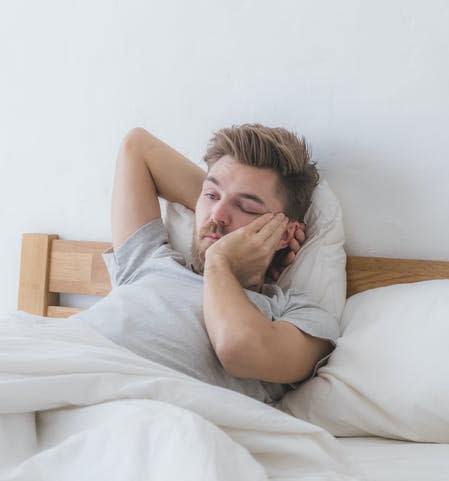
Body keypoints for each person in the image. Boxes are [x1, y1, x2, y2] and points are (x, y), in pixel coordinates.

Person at [71, 125, 339, 403]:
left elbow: (238, 350)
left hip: (130, 410)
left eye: (247, 207)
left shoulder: (299, 315)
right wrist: (219, 204)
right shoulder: (149, 261)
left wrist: (219, 262)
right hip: (64, 358)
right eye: (210, 196)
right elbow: (136, 146)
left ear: (283, 234)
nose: (218, 215)